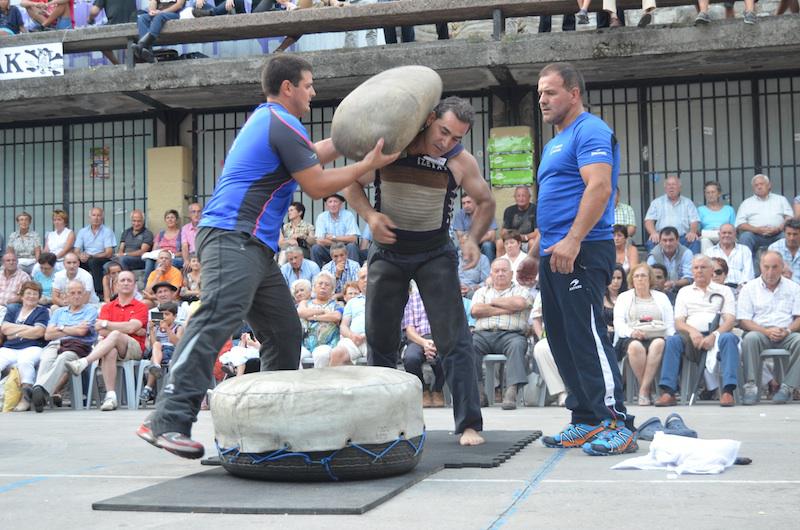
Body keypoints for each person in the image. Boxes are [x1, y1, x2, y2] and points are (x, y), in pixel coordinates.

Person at [137, 55, 398, 458]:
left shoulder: (273, 122)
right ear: (288, 87)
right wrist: (366, 164)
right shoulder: (281, 122)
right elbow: (316, 185)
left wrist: (351, 141)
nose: (313, 92)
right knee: (218, 314)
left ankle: (265, 435)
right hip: (231, 237)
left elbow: (312, 154)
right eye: (308, 85)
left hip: (254, 247)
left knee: (284, 332)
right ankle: (166, 419)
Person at [344, 95, 493, 446]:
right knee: (380, 341)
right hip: (388, 252)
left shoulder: (460, 161)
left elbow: (486, 200)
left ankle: (469, 424)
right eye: (443, 131)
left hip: (435, 253)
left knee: (455, 340)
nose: (446, 142)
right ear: (429, 119)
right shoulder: (391, 149)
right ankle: (383, 426)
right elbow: (351, 184)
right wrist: (370, 216)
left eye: (456, 137)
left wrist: (473, 238)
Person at [535, 62, 636, 456]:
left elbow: (600, 187)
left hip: (583, 248)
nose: (542, 99)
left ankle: (616, 422)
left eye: (550, 92)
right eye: (540, 93)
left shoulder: (589, 129)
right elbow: (557, 200)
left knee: (587, 334)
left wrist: (574, 239)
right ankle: (586, 419)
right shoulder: (554, 142)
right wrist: (535, 251)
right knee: (562, 338)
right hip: (554, 252)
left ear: (574, 93)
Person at [655, 255, 740, 407]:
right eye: (696, 268)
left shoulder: (724, 291)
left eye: (703, 267)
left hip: (717, 335)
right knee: (673, 341)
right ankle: (668, 392)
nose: (699, 271)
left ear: (712, 270)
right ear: (692, 271)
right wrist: (692, 332)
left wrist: (714, 335)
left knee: (729, 338)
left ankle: (727, 391)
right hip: (691, 337)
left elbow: (730, 320)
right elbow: (679, 322)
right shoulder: (684, 292)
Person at [65, 271, 148, 411]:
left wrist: (106, 324)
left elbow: (131, 327)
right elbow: (101, 331)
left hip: (134, 348)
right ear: (116, 285)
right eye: (122, 280)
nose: (126, 283)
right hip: (111, 345)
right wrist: (125, 328)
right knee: (110, 350)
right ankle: (111, 396)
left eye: (129, 280)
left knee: (114, 334)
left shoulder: (141, 306)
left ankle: (84, 362)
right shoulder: (107, 307)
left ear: (135, 285)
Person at [737, 251, 800, 405]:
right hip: (760, 332)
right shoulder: (749, 288)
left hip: (786, 333)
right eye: (766, 267)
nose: (770, 272)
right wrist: (765, 331)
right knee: (750, 338)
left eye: (775, 267)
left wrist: (787, 331)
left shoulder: (794, 288)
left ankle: (787, 387)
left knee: (799, 340)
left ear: (782, 267)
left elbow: (799, 317)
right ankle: (751, 386)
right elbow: (744, 320)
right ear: (760, 266)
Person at [471, 259, 534, 410]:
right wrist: (507, 308)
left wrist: (492, 302)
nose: (500, 274)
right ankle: (478, 392)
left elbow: (520, 304)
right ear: (491, 274)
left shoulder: (521, 291)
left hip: (511, 335)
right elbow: (476, 311)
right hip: (482, 335)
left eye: (504, 270)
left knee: (517, 345)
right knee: (469, 346)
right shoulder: (481, 291)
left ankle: (511, 392)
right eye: (496, 271)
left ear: (511, 273)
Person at [30, 281, 98, 413]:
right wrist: (73, 328)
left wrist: (60, 328)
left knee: (64, 358)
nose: (76, 296)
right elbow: (48, 335)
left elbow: (81, 332)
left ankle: (38, 390)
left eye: (79, 293)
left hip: (77, 347)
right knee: (46, 358)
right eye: (72, 293)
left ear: (84, 294)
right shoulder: (59, 312)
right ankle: (40, 392)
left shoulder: (90, 310)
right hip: (55, 344)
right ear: (66, 295)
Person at [613, 263, 674, 406]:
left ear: (650, 278)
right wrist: (632, 332)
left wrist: (667, 336)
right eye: (636, 276)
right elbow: (619, 323)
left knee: (658, 343)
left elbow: (670, 323)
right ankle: (646, 389)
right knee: (635, 347)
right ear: (632, 279)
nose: (640, 279)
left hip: (658, 335)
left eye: (643, 276)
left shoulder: (661, 297)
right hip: (631, 336)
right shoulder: (623, 297)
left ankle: (643, 390)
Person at [0, 281, 49, 411]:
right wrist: (28, 329)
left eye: (35, 294)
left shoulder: (42, 311)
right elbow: (5, 329)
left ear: (39, 297)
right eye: (28, 293)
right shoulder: (13, 309)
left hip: (32, 347)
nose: (31, 296)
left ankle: (25, 398)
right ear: (22, 296)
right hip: (10, 348)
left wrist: (15, 332)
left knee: (25, 361)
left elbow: (39, 332)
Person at [736, 174, 793, 269]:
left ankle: (787, 268)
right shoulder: (746, 203)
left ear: (769, 185)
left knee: (787, 236)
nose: (759, 187)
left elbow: (789, 217)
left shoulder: (780, 199)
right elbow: (740, 223)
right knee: (745, 237)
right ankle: (745, 269)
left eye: (761, 184)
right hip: (755, 235)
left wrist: (779, 228)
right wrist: (756, 230)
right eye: (756, 185)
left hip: (778, 234)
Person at [402, 285, 446, 407]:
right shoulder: (412, 299)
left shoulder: (445, 297)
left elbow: (448, 325)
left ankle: (438, 390)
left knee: (446, 357)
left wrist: (436, 342)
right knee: (410, 359)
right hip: (417, 339)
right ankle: (423, 391)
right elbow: (409, 330)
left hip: (441, 338)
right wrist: (425, 343)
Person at [140, 301, 184, 404]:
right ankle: (156, 366)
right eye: (162, 314)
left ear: (174, 316)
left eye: (167, 314)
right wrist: (151, 330)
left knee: (154, 358)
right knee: (156, 345)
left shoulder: (178, 327)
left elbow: (176, 343)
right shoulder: (157, 328)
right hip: (158, 352)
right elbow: (153, 344)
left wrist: (167, 329)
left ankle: (148, 387)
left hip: (171, 351)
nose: (164, 317)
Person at [644, 175, 700, 253]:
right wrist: (653, 233)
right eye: (668, 185)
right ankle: (657, 262)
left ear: (680, 187)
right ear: (665, 188)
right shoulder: (656, 202)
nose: (671, 187)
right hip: (662, 238)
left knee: (695, 242)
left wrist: (692, 232)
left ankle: (693, 261)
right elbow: (648, 221)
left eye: (674, 184)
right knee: (651, 243)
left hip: (682, 238)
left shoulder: (688, 203)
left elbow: (694, 220)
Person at [297, 272, 343, 367]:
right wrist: (322, 311)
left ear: (332, 289)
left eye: (327, 285)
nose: (323, 287)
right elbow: (301, 312)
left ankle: (320, 377)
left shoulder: (337, 305)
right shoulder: (305, 303)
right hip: (305, 344)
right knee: (295, 354)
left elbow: (336, 316)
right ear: (314, 287)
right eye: (320, 284)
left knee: (321, 354)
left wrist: (314, 317)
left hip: (327, 345)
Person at [530, 292, 567, 407]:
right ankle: (562, 392)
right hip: (553, 336)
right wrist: (541, 337)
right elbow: (536, 318)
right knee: (541, 348)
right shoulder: (544, 291)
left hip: (578, 335)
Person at [328, 265, 368, 366]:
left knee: (378, 355)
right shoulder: (352, 302)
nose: (366, 280)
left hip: (373, 340)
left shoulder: (383, 299)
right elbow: (343, 326)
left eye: (369, 276)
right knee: (336, 353)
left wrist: (366, 336)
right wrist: (352, 336)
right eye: (362, 277)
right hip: (353, 339)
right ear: (359, 282)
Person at [74, 207, 116, 298]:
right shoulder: (83, 231)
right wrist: (80, 256)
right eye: (94, 215)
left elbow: (109, 252)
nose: (96, 218)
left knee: (94, 262)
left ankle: (99, 292)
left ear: (102, 217)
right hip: (87, 258)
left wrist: (92, 256)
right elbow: (76, 250)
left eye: (98, 215)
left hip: (102, 257)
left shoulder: (107, 231)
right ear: (90, 217)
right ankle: (79, 290)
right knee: (76, 262)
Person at [311, 194, 361, 266]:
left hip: (345, 248)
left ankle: (353, 270)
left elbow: (353, 238)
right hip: (329, 249)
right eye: (330, 202)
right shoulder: (321, 217)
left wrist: (334, 237)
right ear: (326, 205)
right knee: (315, 248)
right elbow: (319, 240)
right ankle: (317, 272)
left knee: (352, 246)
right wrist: (339, 242)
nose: (333, 204)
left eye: (335, 201)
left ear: (340, 205)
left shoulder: (348, 215)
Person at [646, 226, 693, 296]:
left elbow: (689, 278)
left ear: (677, 240)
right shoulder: (654, 255)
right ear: (660, 241)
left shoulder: (686, 253)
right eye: (664, 240)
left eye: (671, 240)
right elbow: (648, 276)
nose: (668, 244)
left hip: (682, 291)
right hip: (659, 292)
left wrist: (673, 283)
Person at [704, 223, 754, 288]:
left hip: (739, 288)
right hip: (716, 287)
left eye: (730, 233)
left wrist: (742, 287)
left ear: (735, 235)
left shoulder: (744, 250)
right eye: (724, 233)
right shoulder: (709, 252)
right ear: (719, 235)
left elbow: (748, 273)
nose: (727, 235)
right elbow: (707, 273)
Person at [498, 185, 539, 257]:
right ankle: (500, 263)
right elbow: (503, 232)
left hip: (528, 240)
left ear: (529, 197)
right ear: (515, 197)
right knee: (499, 243)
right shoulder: (509, 210)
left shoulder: (535, 209)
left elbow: (537, 233)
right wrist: (512, 238)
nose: (521, 198)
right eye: (518, 196)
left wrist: (524, 237)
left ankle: (532, 263)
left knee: (532, 242)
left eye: (524, 196)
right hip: (513, 239)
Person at [453, 194, 497, 261]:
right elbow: (461, 237)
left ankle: (491, 267)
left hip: (483, 243)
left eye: (469, 202)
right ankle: (464, 267)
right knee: (458, 248)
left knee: (487, 245)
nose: (466, 206)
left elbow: (492, 236)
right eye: (463, 203)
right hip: (468, 244)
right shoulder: (459, 215)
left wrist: (471, 239)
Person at [697, 181, 736, 253]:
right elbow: (698, 230)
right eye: (708, 193)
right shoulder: (700, 210)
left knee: (726, 238)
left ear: (719, 194)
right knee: (704, 241)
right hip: (707, 236)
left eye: (713, 192)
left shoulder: (729, 209)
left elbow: (734, 228)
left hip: (725, 235)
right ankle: (708, 261)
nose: (710, 195)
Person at [144, 210, 184, 277]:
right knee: (149, 261)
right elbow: (154, 249)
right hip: (161, 256)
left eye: (172, 217)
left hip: (174, 257)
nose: (170, 220)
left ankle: (160, 281)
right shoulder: (161, 234)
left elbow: (184, 251)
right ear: (165, 220)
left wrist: (170, 256)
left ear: (177, 220)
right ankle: (148, 282)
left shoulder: (182, 234)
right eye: (168, 218)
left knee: (161, 263)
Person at [458, 232, 490, 299]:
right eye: (462, 243)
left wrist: (471, 288)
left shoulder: (483, 259)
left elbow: (486, 281)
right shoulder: (455, 257)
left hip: (472, 290)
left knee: (473, 296)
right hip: (454, 288)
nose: (463, 246)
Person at [768, 218, 800, 284]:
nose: (791, 238)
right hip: (780, 285)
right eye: (789, 234)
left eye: (795, 234)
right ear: (784, 233)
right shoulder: (774, 248)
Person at [602, 264, 627, 344]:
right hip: (605, 333)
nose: (616, 281)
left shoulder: (628, 297)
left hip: (624, 334)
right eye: (613, 278)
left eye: (619, 278)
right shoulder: (600, 297)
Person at [180, 203, 202, 271]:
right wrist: (186, 260)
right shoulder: (185, 228)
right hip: (191, 255)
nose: (196, 214)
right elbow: (184, 246)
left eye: (199, 211)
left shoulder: (206, 227)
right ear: (189, 214)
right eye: (193, 212)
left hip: (203, 254)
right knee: (186, 268)